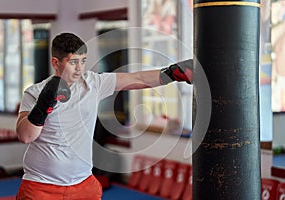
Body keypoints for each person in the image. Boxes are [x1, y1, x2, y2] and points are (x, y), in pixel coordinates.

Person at [15, 32, 193, 199]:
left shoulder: (92, 83)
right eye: (73, 62)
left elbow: (137, 78)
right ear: (56, 62)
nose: (79, 69)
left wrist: (172, 73)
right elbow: (26, 135)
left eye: (83, 61)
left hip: (83, 184)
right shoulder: (34, 92)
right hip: (41, 185)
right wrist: (44, 104)